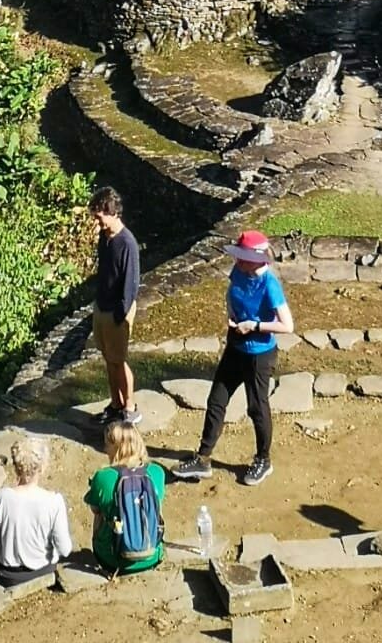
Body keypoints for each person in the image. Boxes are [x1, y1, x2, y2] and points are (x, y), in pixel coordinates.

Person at [172, 229, 293, 488]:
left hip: (260, 355)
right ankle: (203, 459)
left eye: (242, 257)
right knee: (216, 400)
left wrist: (255, 325)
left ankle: (263, 459)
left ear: (258, 259)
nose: (236, 261)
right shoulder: (239, 272)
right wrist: (232, 316)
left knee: (257, 408)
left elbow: (287, 325)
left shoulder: (269, 284)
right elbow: (232, 293)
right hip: (236, 347)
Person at [0, 437, 73, 586]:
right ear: (42, 468)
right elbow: (65, 550)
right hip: (43, 573)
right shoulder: (54, 501)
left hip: (7, 575)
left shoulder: (2, 496)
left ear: (16, 467)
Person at [85, 420, 165, 575]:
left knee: (101, 512)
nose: (104, 448)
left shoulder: (103, 476)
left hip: (111, 560)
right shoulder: (157, 472)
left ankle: (109, 547)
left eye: (107, 444)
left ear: (115, 447)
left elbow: (94, 509)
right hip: (153, 556)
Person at [91, 186, 141, 425]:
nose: (97, 223)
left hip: (116, 312)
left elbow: (131, 283)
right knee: (108, 358)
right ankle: (115, 404)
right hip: (102, 307)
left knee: (118, 360)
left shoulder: (127, 243)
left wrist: (120, 314)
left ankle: (130, 406)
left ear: (110, 212)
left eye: (99, 217)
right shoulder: (106, 237)